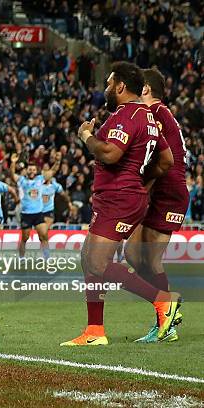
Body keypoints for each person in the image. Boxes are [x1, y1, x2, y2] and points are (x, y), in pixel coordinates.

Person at [61, 62, 180, 346]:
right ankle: (95, 331)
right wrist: (139, 178)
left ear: (121, 87)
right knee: (88, 259)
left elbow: (110, 153)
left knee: (98, 263)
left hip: (118, 197)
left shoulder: (127, 114)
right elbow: (166, 160)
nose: (106, 88)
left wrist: (86, 136)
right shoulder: (146, 116)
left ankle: (163, 301)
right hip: (118, 196)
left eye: (109, 82)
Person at [125, 68, 189, 343]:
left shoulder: (156, 113)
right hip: (155, 190)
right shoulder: (157, 114)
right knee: (131, 254)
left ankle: (166, 324)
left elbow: (157, 158)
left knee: (151, 258)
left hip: (168, 191)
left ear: (146, 90)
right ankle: (167, 303)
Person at [9, 153, 60, 259]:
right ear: (26, 171)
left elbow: (53, 171)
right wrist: (13, 162)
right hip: (26, 214)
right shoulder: (22, 180)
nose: (31, 171)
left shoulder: (40, 179)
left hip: (38, 214)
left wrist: (58, 161)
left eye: (33, 170)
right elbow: (12, 174)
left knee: (44, 236)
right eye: (30, 169)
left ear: (36, 171)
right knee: (25, 238)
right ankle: (21, 257)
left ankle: (47, 257)